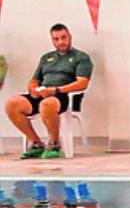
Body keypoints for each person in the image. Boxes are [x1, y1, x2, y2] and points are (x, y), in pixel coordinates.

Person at [4, 23, 93, 160]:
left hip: (62, 95)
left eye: (63, 38)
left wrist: (56, 90)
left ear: (70, 37)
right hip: (42, 93)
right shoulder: (46, 58)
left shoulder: (81, 58)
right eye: (56, 39)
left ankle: (55, 144)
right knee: (12, 104)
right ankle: (36, 143)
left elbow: (83, 83)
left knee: (47, 104)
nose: (61, 42)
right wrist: (33, 89)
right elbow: (34, 80)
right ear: (52, 40)